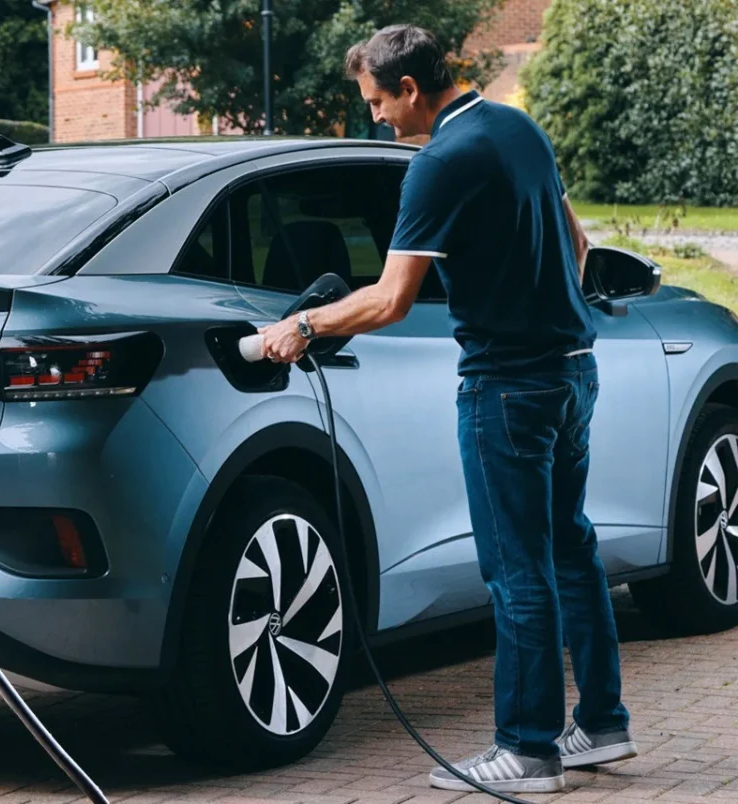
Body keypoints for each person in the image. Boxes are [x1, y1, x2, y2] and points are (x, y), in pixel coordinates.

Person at [257, 24, 636, 794]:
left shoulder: (437, 163)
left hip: (505, 387)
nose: (375, 120)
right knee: (570, 549)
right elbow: (579, 244)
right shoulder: (517, 127)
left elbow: (392, 299)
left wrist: (299, 328)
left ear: (409, 88)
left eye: (377, 103)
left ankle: (527, 751)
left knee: (515, 570)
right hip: (571, 371)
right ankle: (601, 725)